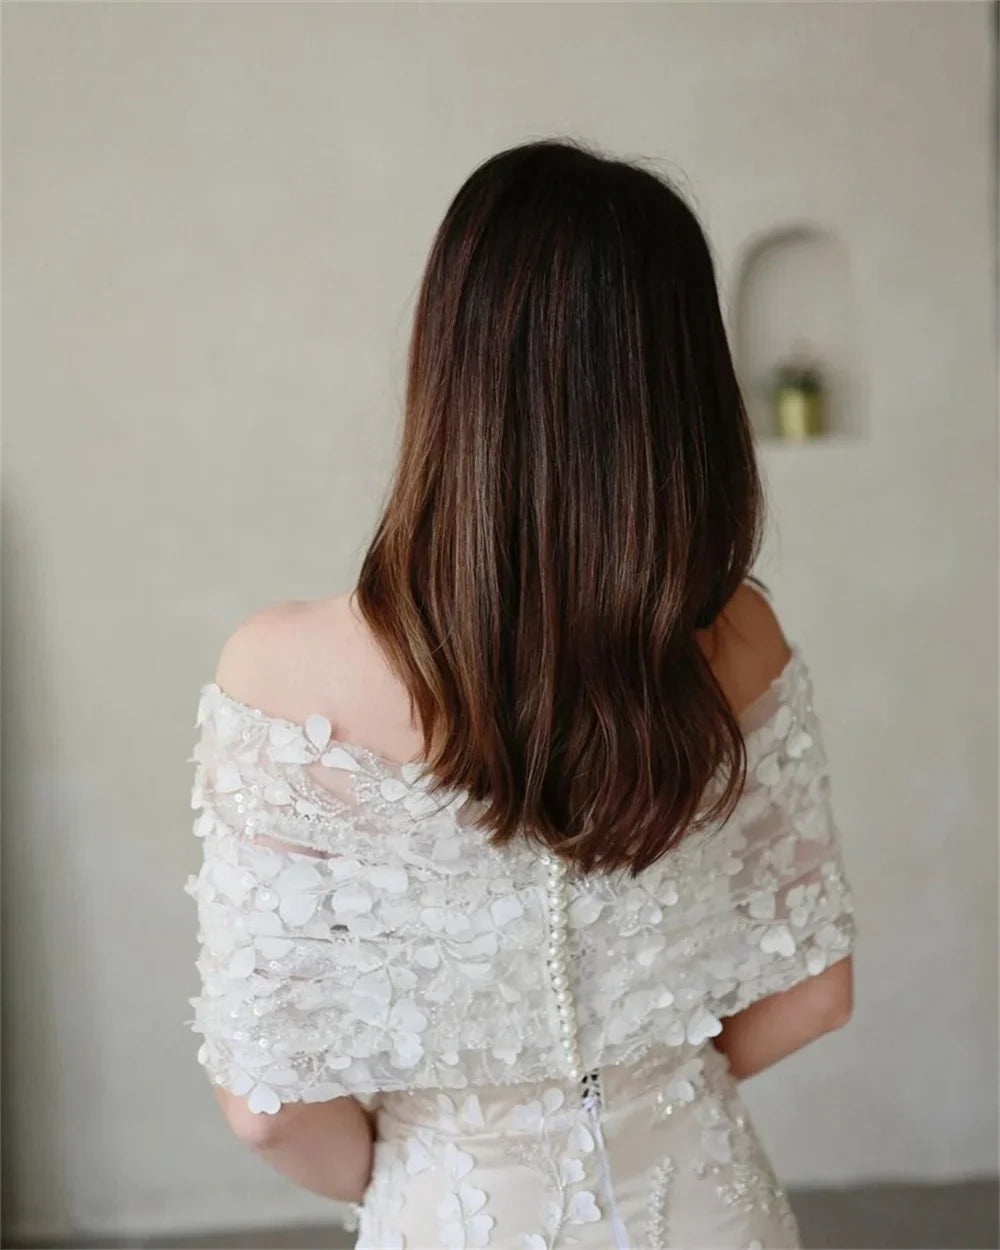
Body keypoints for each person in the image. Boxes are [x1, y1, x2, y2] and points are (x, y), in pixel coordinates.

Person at [186, 139, 855, 1250]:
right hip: (703, 1198)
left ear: (447, 362)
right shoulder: (739, 634)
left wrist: (429, 1165)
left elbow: (267, 1108)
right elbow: (815, 990)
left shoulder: (280, 672)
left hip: (455, 1212)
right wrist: (648, 1100)